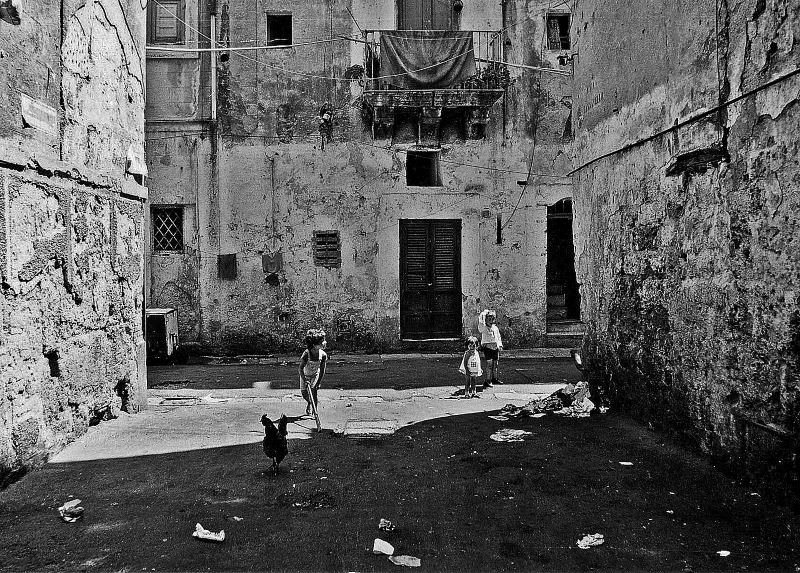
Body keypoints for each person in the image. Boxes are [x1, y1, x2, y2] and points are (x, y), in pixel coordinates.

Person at [299, 329, 327, 415]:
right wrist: (304, 379)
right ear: (314, 345)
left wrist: (318, 382)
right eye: (322, 342)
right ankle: (310, 403)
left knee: (313, 392)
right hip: (305, 375)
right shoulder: (306, 354)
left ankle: (315, 412)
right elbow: (300, 368)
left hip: (315, 375)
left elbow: (322, 370)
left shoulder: (323, 355)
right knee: (304, 393)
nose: (324, 343)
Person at [477, 309, 503, 388]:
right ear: (485, 319)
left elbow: (498, 337)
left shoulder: (495, 328)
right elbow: (480, 320)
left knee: (495, 364)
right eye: (489, 319)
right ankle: (488, 380)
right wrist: (484, 313)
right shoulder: (483, 328)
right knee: (489, 365)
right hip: (488, 349)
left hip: (495, 348)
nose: (491, 321)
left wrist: (499, 345)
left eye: (492, 319)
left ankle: (494, 378)